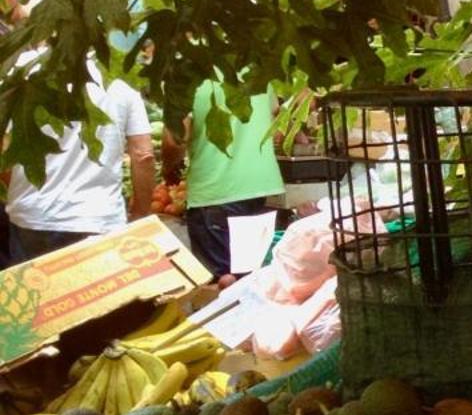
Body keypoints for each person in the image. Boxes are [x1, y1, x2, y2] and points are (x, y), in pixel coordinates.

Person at [4, 61, 155, 265]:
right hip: (98, 217)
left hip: (32, 216)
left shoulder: (22, 70)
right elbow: (143, 154)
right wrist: (140, 215)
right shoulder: (119, 76)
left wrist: (16, 193)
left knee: (36, 295)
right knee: (98, 295)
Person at [177, 80, 285, 279]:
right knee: (251, 276)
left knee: (220, 285)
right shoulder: (256, 72)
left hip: (216, 191)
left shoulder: (189, 76)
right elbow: (275, 112)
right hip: (259, 188)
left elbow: (175, 138)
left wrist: (170, 167)